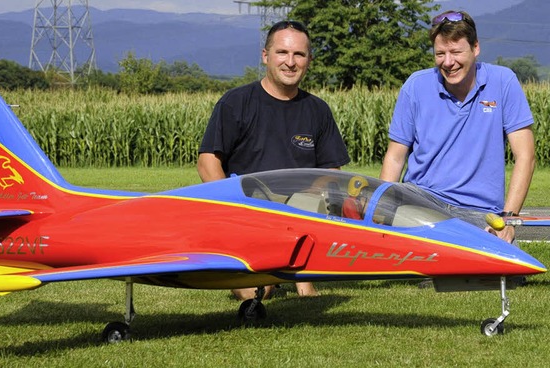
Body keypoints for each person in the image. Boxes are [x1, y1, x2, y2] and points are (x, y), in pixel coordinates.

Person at [197, 20, 351, 301]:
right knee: (255, 294)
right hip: (247, 214)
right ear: (265, 56)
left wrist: (310, 204)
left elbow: (332, 174)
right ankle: (265, 273)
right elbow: (208, 163)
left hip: (299, 216)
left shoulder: (317, 110)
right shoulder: (235, 103)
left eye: (299, 55)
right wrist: (232, 209)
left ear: (309, 60)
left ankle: (303, 277)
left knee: (320, 199)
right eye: (282, 53)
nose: (290, 62)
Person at [380, 10, 535, 244]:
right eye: (440, 53)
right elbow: (395, 157)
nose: (448, 62)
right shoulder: (416, 86)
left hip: (479, 211)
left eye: (456, 52)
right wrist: (381, 210)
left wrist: (508, 220)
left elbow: (525, 156)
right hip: (422, 201)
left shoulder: (504, 82)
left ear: (475, 48)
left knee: (500, 274)